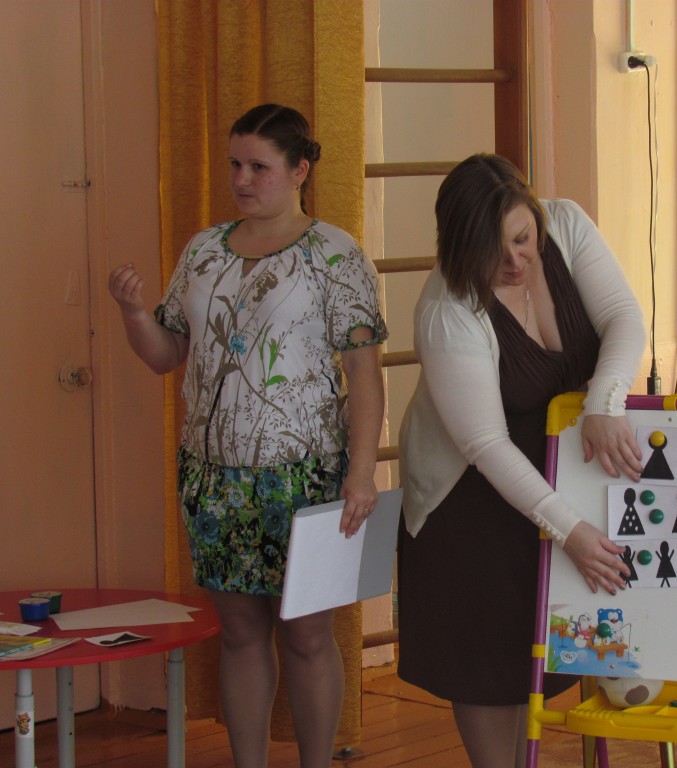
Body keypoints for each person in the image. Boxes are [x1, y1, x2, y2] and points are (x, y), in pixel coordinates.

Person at [107, 104, 387, 768]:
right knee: (239, 634)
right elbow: (166, 354)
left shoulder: (335, 254)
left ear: (299, 170)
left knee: (308, 636)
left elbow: (364, 372)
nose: (241, 179)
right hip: (213, 476)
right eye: (235, 164)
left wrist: (361, 472)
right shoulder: (204, 250)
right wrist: (131, 312)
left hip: (307, 475)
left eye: (259, 166)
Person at [397, 153, 645, 767]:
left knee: (543, 650)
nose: (514, 260)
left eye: (522, 238)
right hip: (471, 497)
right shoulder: (447, 308)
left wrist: (605, 400)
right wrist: (571, 531)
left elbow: (623, 316)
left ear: (535, 217)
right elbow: (484, 444)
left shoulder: (567, 225)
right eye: (493, 250)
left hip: (556, 472)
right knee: (489, 666)